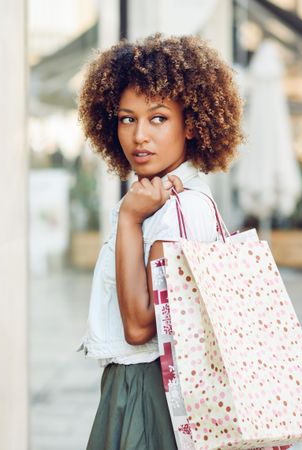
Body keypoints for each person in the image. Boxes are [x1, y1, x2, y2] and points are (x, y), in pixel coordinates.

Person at [76, 34, 243, 449]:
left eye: (158, 118)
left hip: (150, 394)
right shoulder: (164, 199)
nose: (139, 137)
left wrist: (131, 219)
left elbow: (139, 326)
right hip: (139, 390)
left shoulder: (175, 210)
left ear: (191, 124)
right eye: (126, 118)